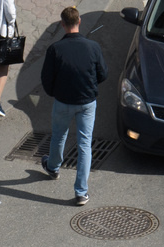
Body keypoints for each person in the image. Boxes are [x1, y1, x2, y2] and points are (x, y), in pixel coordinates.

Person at [41, 6, 107, 206]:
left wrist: (55, 93)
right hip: (87, 102)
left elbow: (46, 78)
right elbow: (103, 74)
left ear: (62, 24)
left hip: (63, 101)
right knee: (84, 144)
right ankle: (81, 192)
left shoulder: (55, 49)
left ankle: (53, 168)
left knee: (59, 135)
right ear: (79, 22)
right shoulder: (93, 47)